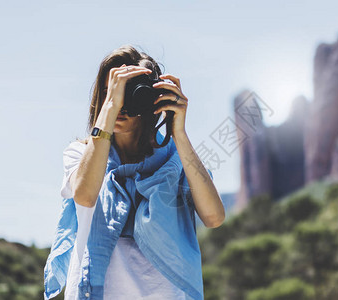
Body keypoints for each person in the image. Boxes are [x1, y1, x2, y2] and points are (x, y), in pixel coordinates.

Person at [44, 45, 225, 300]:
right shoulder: (82, 153)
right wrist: (108, 110)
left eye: (131, 95)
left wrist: (179, 133)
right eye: (111, 93)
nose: (120, 104)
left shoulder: (177, 158)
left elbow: (214, 217)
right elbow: (85, 195)